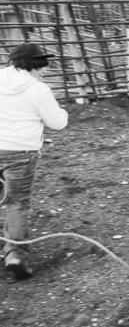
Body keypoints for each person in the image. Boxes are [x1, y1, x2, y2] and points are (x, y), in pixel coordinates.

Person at [0, 43, 68, 279]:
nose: (45, 69)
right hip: (20, 151)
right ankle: (15, 254)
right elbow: (57, 123)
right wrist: (63, 113)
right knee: (16, 202)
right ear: (34, 65)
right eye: (42, 64)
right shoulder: (38, 90)